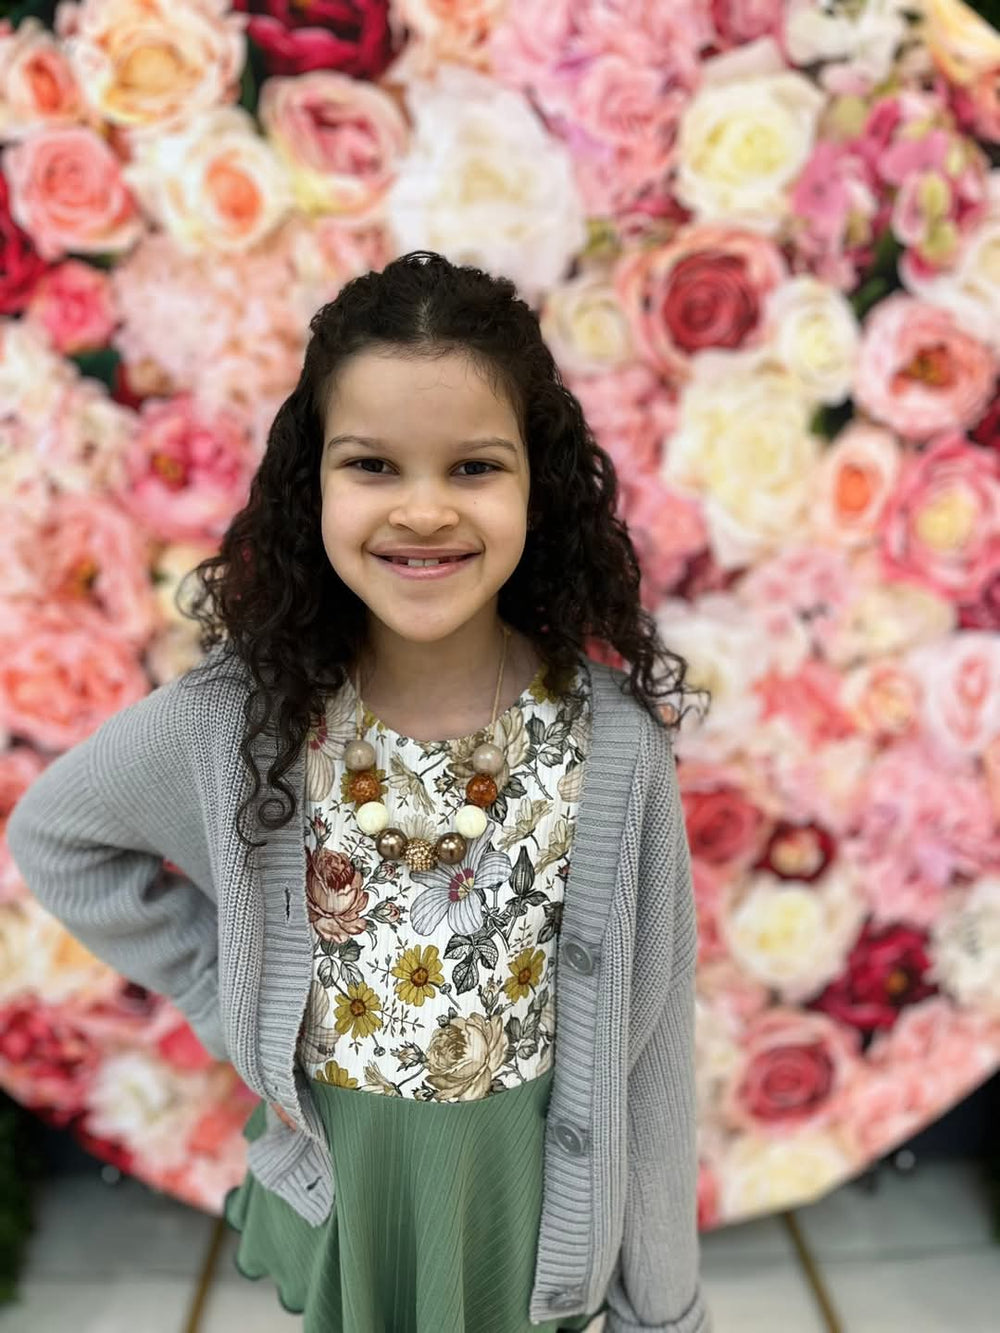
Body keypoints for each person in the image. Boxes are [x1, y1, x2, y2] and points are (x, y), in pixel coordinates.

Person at [6, 251, 711, 1333]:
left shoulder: (610, 745)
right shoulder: (243, 716)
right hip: (355, 1192)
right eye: (373, 465)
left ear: (539, 485)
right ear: (313, 485)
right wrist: (233, 992)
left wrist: (662, 1311)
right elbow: (60, 836)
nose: (423, 510)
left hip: (524, 1211)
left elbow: (652, 1059)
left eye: (473, 467)